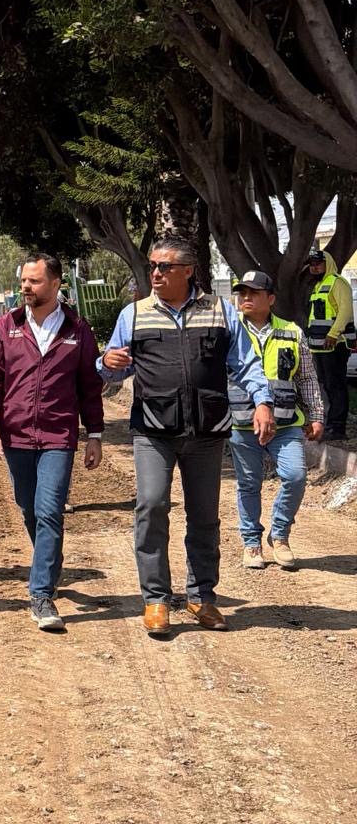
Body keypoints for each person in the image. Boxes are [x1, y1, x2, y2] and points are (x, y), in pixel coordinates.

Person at [100, 236, 274, 638]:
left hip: (207, 432)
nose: (156, 273)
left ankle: (201, 597)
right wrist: (106, 363)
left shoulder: (220, 312)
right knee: (151, 506)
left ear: (189, 271)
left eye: (165, 267)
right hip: (153, 431)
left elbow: (245, 363)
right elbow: (112, 370)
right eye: (153, 266)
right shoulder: (135, 314)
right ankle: (156, 600)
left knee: (203, 517)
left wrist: (262, 402)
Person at [0, 253, 104, 632]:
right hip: (16, 434)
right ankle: (49, 559)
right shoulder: (6, 327)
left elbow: (89, 387)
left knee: (50, 511)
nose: (25, 287)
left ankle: (41, 594)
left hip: (58, 436)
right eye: (24, 281)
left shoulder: (78, 331)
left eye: (34, 281)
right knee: (29, 509)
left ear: (55, 284)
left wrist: (94, 434)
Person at [228, 271, 324, 571]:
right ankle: (252, 543)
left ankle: (279, 535)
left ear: (270, 299)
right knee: (248, 484)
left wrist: (316, 414)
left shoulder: (292, 332)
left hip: (285, 424)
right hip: (241, 423)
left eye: (253, 292)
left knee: (295, 477)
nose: (246, 297)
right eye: (242, 292)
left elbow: (306, 377)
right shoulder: (228, 331)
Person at [303, 249, 353, 441]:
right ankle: (331, 424)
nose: (314, 267)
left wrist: (333, 334)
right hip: (319, 346)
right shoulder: (319, 286)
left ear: (327, 263)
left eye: (317, 263)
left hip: (335, 345)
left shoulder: (337, 283)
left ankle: (337, 428)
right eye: (311, 264)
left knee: (336, 385)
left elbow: (346, 311)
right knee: (328, 385)